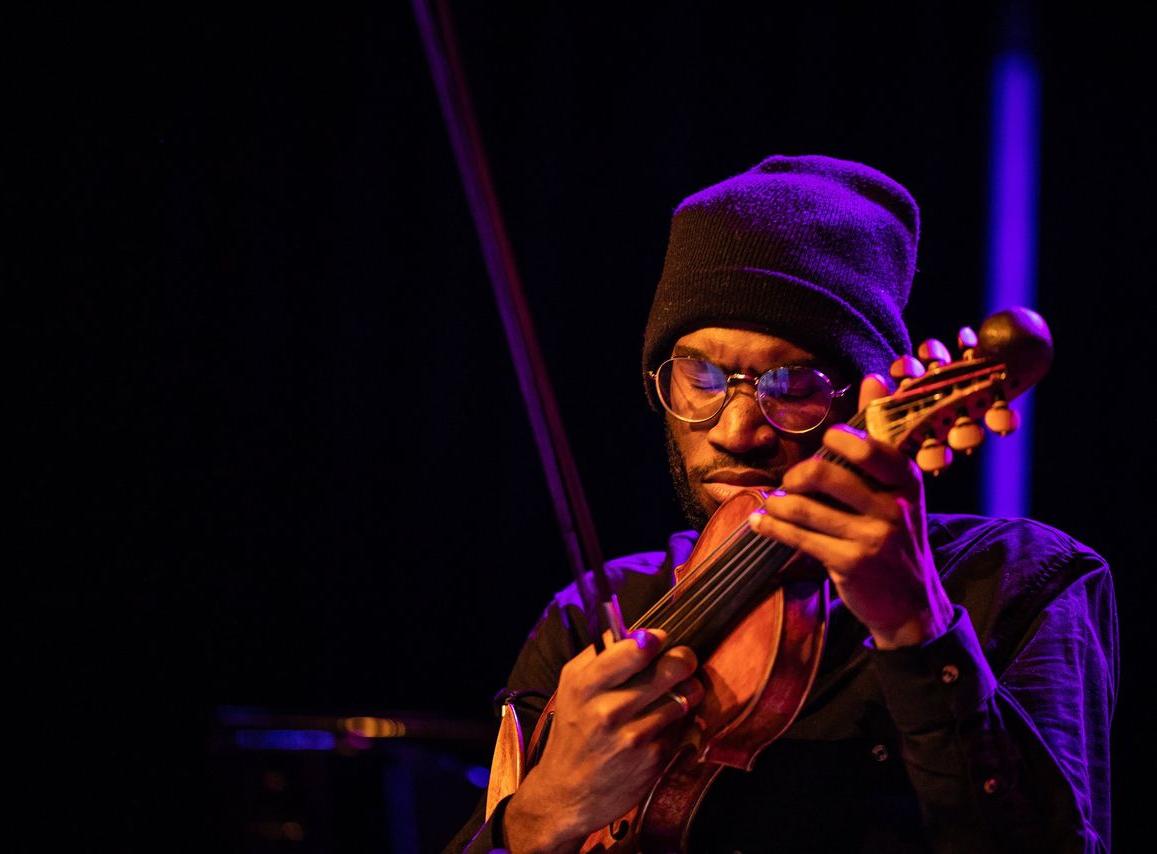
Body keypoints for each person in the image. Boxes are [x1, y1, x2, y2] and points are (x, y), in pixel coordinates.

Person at [445, 155, 1116, 853]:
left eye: (792, 382)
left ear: (869, 400)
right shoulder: (596, 613)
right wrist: (544, 810)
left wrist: (915, 625)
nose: (736, 430)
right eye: (701, 374)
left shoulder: (1018, 582)